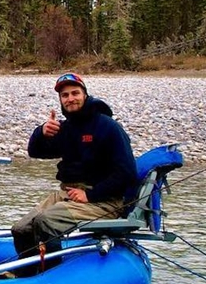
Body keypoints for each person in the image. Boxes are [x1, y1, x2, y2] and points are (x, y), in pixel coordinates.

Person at [11, 72, 137, 260]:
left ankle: (53, 272)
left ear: (84, 95)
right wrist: (41, 133)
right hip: (68, 193)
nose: (70, 99)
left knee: (47, 221)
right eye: (65, 95)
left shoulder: (108, 127)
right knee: (21, 229)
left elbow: (127, 173)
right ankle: (27, 272)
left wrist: (90, 195)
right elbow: (36, 152)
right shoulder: (67, 128)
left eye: (75, 93)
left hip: (104, 200)